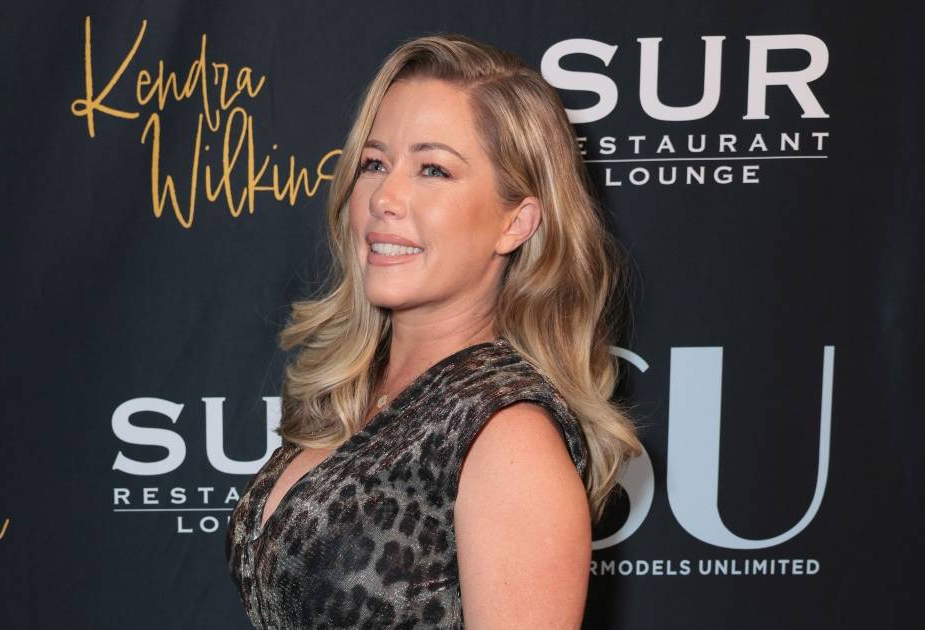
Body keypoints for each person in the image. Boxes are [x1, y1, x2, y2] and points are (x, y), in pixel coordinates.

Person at [226, 32, 642, 629]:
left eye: (433, 170)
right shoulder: (364, 391)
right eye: (374, 164)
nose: (385, 197)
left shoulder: (507, 436)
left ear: (516, 222)